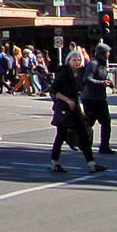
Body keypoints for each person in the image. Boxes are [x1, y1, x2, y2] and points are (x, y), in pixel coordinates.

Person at [49, 45, 106, 173]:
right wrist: (67, 100)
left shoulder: (78, 74)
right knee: (60, 136)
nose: (77, 62)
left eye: (79, 59)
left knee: (84, 135)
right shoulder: (64, 73)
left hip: (74, 110)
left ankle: (91, 164)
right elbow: (54, 91)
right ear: (68, 60)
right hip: (64, 110)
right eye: (74, 59)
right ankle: (54, 162)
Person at [81, 43, 116, 154]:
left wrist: (109, 83)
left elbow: (104, 77)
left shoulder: (103, 64)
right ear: (101, 53)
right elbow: (87, 79)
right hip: (90, 98)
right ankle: (82, 143)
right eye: (107, 52)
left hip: (100, 98)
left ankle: (104, 146)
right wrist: (101, 83)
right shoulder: (93, 64)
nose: (108, 54)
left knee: (106, 122)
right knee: (89, 123)